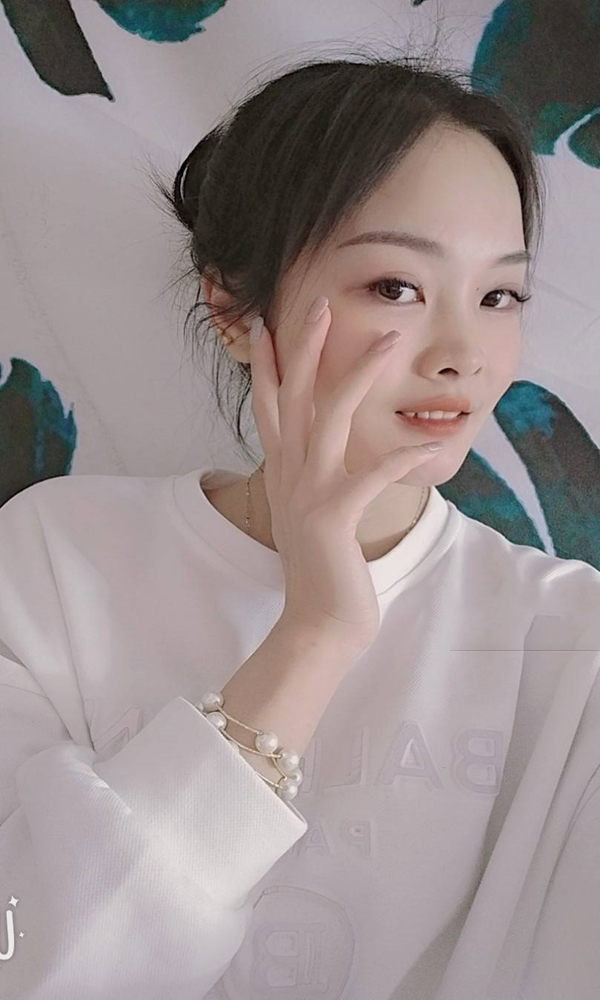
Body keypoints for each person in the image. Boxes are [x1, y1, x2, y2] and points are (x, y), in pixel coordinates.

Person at [1, 48, 600, 1000]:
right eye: (396, 287)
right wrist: (316, 634)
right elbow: (40, 967)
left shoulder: (571, 643)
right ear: (233, 308)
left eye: (499, 296)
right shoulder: (52, 562)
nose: (462, 354)